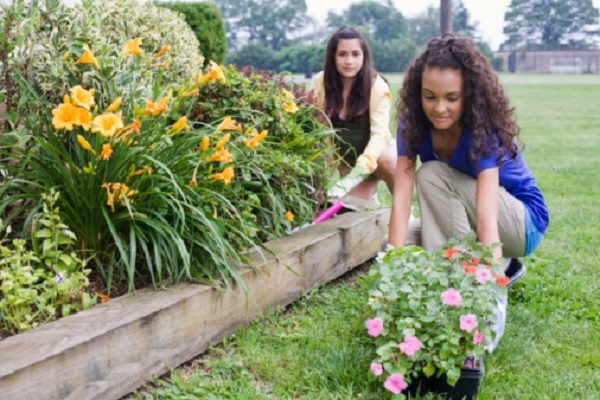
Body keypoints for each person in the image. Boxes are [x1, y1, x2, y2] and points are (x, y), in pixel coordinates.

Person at [389, 33, 549, 287]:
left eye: (452, 98)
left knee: (431, 175)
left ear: (469, 95)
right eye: (430, 96)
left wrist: (494, 289)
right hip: (477, 212)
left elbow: (486, 218)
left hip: (522, 223)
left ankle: (463, 280)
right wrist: (391, 269)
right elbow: (401, 201)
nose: (439, 108)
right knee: (399, 238)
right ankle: (505, 266)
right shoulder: (412, 124)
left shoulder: (482, 130)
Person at [311, 26, 396, 201]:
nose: (349, 61)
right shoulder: (321, 82)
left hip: (378, 157)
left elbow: (379, 136)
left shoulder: (377, 87)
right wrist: (320, 178)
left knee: (389, 160)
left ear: (364, 57)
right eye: (342, 54)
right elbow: (321, 134)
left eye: (355, 54)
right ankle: (371, 200)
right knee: (351, 209)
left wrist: (356, 175)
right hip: (349, 163)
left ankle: (405, 211)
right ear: (333, 57)